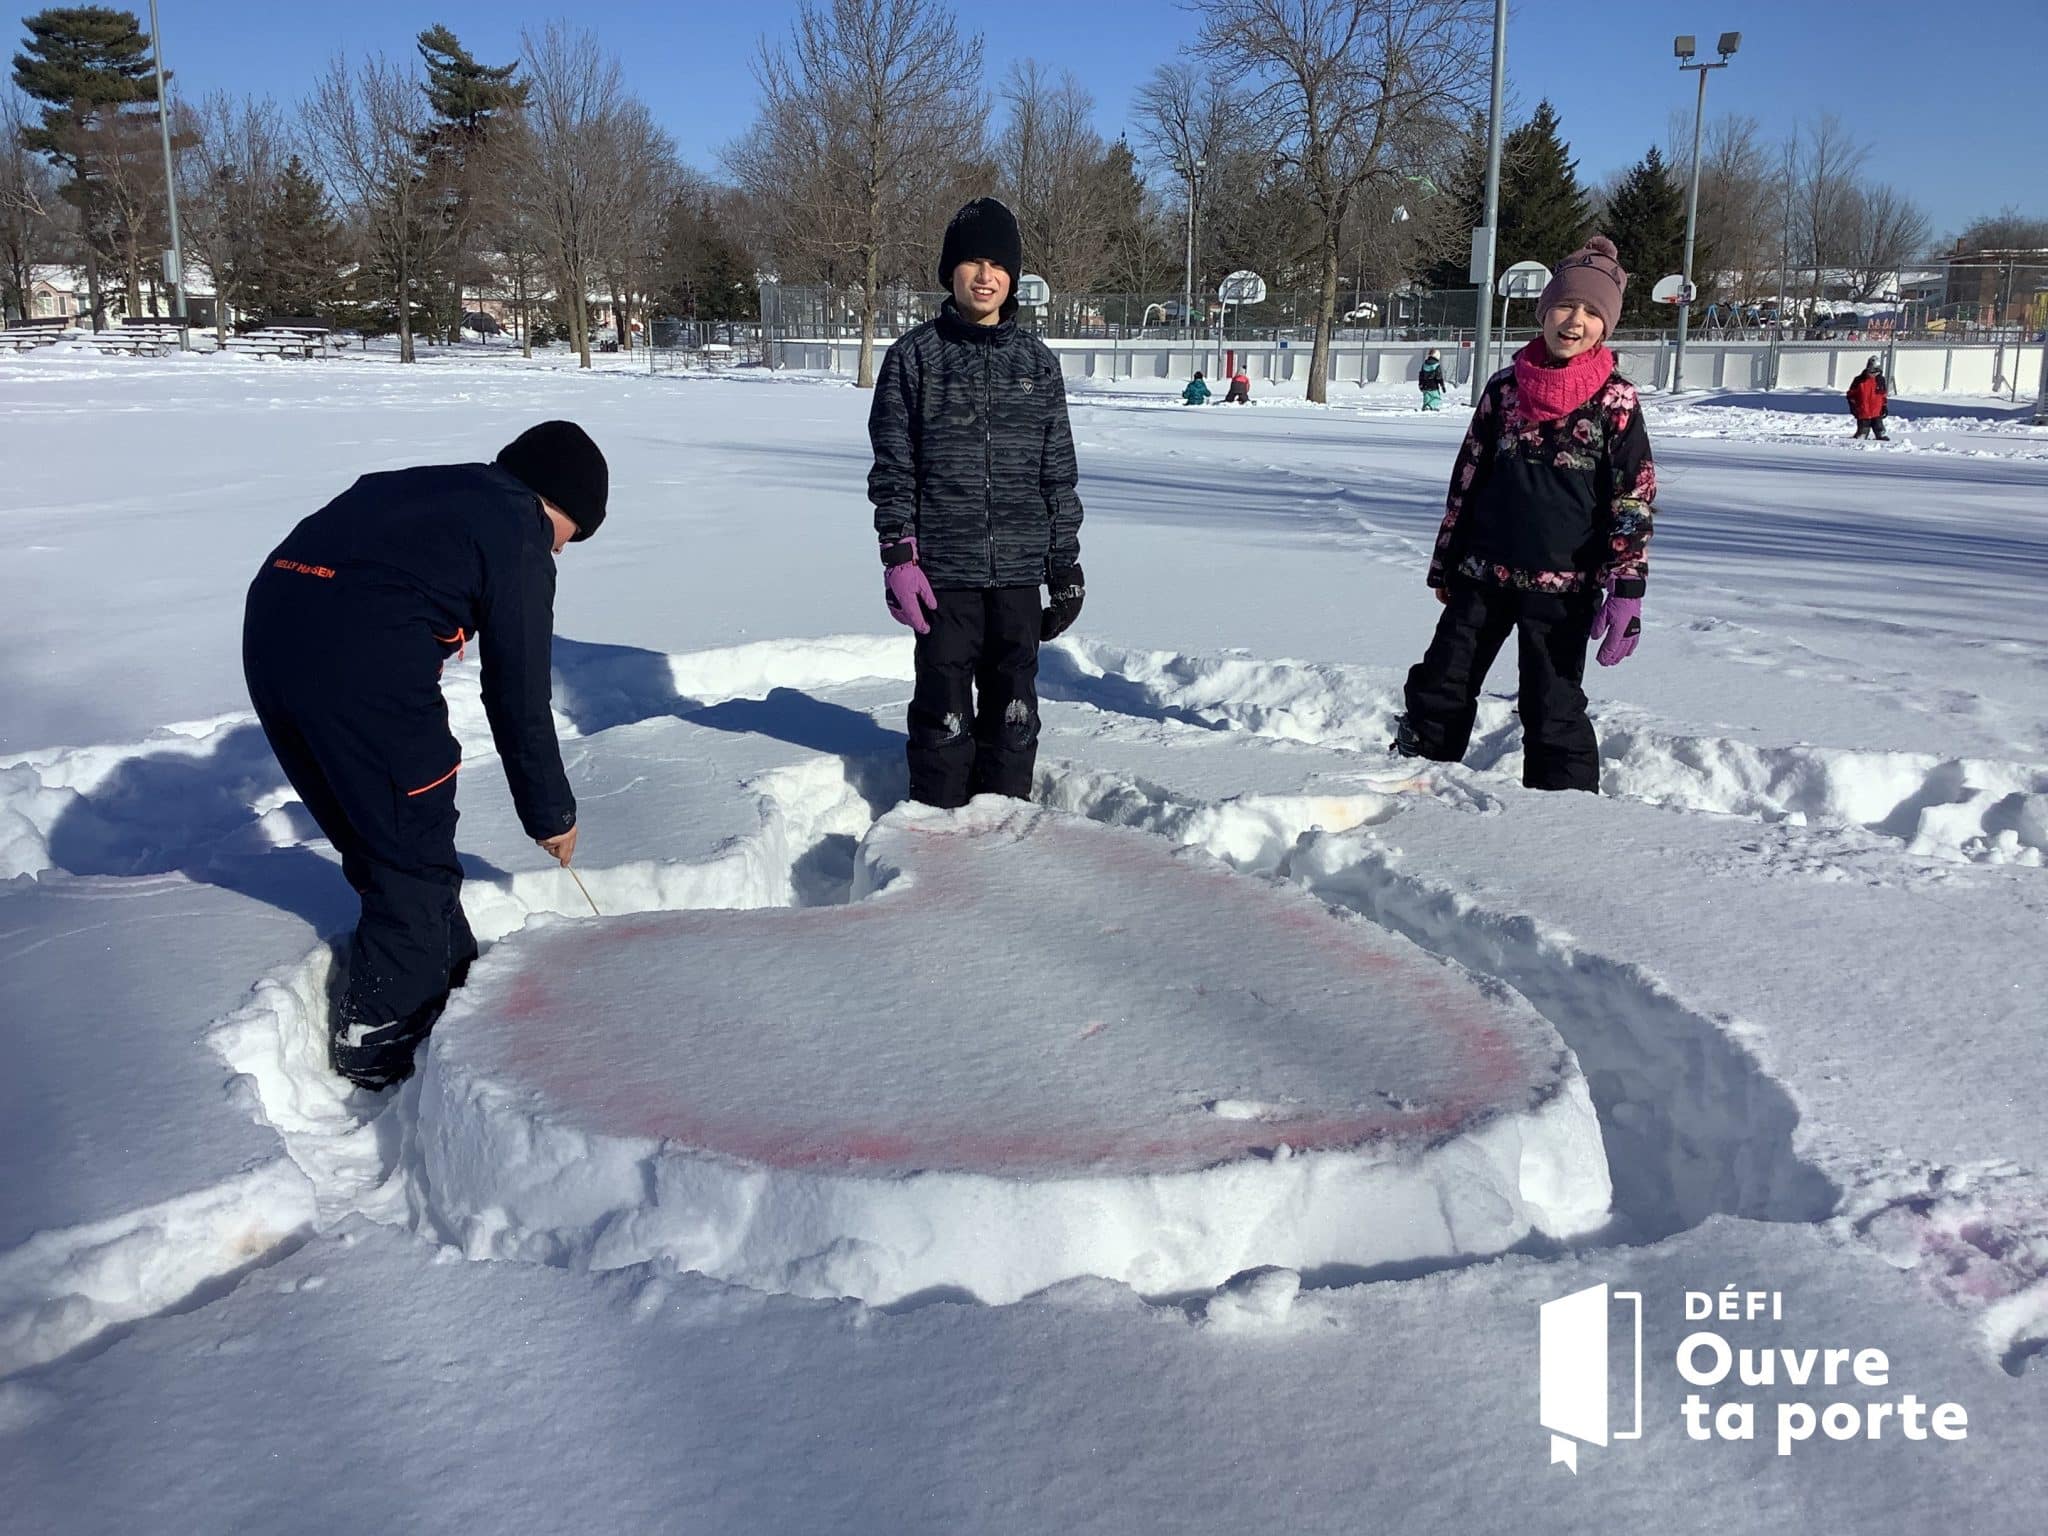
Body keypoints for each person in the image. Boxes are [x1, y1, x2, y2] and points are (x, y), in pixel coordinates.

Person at [241, 421, 605, 1089]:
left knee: (382, 839)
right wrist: (550, 813)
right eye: (572, 535)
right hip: (361, 671)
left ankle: (451, 980)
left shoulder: (429, 487)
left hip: (271, 643)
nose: (565, 550)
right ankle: (380, 1046)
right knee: (411, 855)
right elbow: (517, 691)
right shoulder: (518, 531)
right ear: (557, 504)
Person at [1390, 235, 1656, 794]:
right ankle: (1418, 785)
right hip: (1481, 575)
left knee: (1553, 706)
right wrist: (1445, 561)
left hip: (1564, 588)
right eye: (1565, 306)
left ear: (1606, 326)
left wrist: (1626, 587)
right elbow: (1467, 478)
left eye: (1590, 312)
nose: (1574, 321)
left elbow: (1632, 498)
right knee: (1442, 684)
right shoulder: (1505, 389)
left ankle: (1561, 819)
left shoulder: (1616, 402)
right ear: (1544, 310)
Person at [868, 197, 1085, 810]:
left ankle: (1003, 850)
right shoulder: (914, 359)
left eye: (997, 264)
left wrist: (1063, 565)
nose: (984, 276)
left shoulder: (1036, 364)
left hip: (1018, 575)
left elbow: (1057, 474)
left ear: (1014, 277)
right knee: (943, 717)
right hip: (943, 577)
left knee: (1013, 714)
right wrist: (898, 554)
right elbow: (893, 467)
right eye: (971, 262)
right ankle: (937, 846)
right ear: (950, 272)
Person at [1847, 356, 1890, 440]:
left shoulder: (1880, 380)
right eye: (1871, 371)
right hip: (1863, 411)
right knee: (1862, 434)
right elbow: (1851, 395)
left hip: (1877, 411)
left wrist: (1884, 406)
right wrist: (1853, 406)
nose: (1873, 374)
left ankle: (1881, 439)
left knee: (1880, 431)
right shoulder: (1859, 380)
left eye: (1875, 371)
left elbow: (1883, 395)